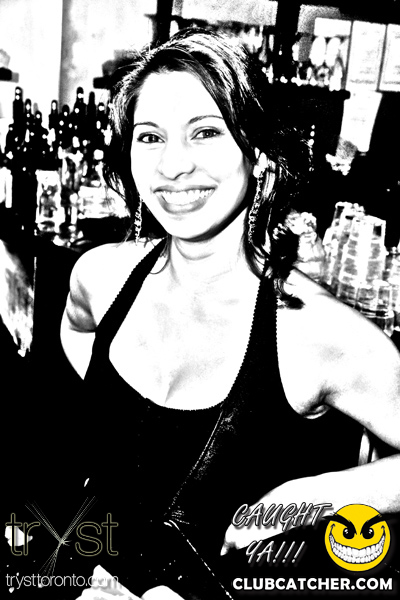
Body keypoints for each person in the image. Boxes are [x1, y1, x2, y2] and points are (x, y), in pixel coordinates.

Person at [60, 28, 400, 600]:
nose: (173, 165)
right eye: (150, 137)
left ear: (258, 154)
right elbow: (76, 337)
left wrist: (301, 501)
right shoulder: (100, 276)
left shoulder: (316, 333)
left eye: (206, 132)